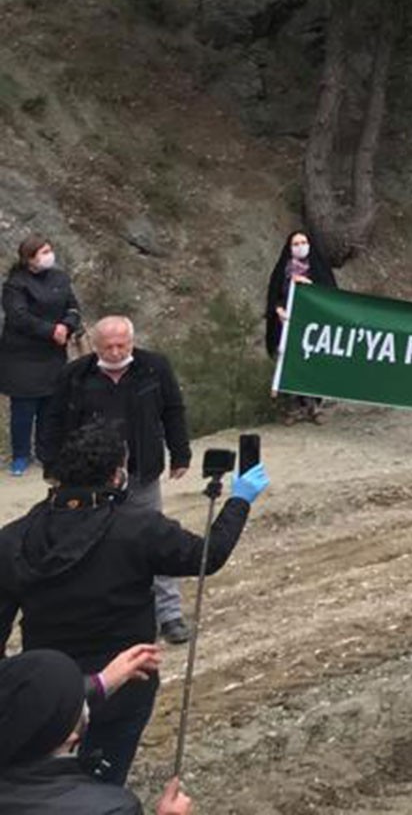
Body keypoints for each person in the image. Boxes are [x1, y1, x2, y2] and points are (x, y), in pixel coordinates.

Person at [0, 420, 267, 785]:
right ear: (116, 475)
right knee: (101, 786)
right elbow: (207, 555)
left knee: (35, 786)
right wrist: (239, 499)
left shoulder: (12, 538)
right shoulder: (139, 528)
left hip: (46, 695)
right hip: (127, 681)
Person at [39, 315, 194, 642]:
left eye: (121, 344)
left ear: (132, 342)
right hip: (87, 478)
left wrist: (181, 453)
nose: (114, 351)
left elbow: (173, 410)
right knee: (85, 543)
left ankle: (169, 615)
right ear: (95, 346)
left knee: (155, 537)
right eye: (107, 346)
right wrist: (51, 465)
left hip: (141, 471)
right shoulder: (75, 375)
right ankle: (91, 614)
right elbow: (52, 420)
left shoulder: (154, 367)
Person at [0, 647, 196, 815]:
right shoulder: (112, 809)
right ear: (70, 736)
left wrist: (101, 682)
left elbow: (33, 705)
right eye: (79, 701)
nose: (84, 704)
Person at [2, 238, 82, 479]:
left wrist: (67, 326)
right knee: (24, 408)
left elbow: (73, 308)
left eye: (50, 250)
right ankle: (20, 456)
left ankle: (46, 452)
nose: (50, 255)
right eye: (44, 252)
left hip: (53, 353)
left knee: (51, 405)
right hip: (22, 356)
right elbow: (18, 317)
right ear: (30, 259)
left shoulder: (60, 278)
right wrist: (50, 330)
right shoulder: (15, 285)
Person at [264, 228, 335, 423]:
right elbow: (273, 296)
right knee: (288, 362)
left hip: (313, 326)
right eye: (296, 244)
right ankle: (295, 407)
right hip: (287, 325)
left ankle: (314, 406)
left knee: (314, 364)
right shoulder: (282, 270)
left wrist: (308, 284)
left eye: (303, 242)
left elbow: (330, 295)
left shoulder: (319, 268)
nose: (300, 247)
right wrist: (278, 311)